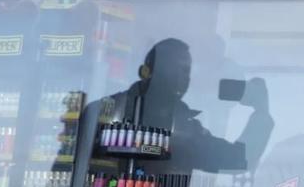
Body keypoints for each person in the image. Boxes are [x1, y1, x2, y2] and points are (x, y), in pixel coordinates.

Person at [95, 39, 274, 179]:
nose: (185, 77)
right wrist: (262, 113)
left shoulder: (183, 124)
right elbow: (238, 160)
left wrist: (262, 115)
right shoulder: (181, 128)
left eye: (187, 71)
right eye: (179, 69)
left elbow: (237, 159)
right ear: (148, 71)